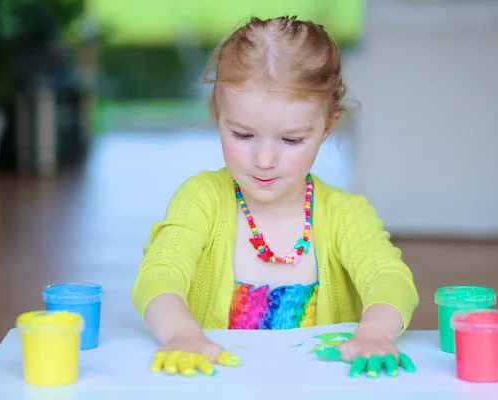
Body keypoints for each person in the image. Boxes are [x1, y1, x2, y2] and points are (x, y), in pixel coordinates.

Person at [132, 15, 419, 377]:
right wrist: (180, 333)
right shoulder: (200, 200)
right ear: (218, 115)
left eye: (291, 140)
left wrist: (375, 333)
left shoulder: (347, 215)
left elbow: (390, 280)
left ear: (326, 130)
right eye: (243, 135)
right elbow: (159, 276)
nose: (264, 161)